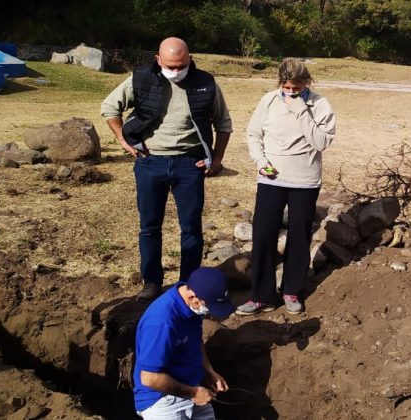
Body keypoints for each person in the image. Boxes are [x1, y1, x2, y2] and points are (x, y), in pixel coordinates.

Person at [101, 37, 233, 300]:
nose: (176, 71)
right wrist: (123, 140)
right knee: (149, 227)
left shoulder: (206, 83)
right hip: (151, 162)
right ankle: (151, 282)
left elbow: (223, 123)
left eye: (181, 65)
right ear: (158, 60)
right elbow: (109, 108)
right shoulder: (141, 79)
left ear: (190, 59)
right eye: (170, 66)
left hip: (189, 164)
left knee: (191, 228)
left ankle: (189, 283)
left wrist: (216, 159)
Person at [236, 58, 336, 316]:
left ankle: (292, 290)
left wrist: (301, 109)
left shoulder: (320, 104)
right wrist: (260, 162)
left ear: (307, 82)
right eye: (287, 87)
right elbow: (253, 134)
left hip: (305, 180)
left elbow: (321, 142)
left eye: (297, 87)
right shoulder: (268, 100)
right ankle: (261, 296)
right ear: (280, 82)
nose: (291, 92)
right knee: (263, 234)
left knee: (299, 236)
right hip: (271, 178)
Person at [133, 267, 234, 419]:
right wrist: (193, 393)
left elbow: (194, 341)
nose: (209, 312)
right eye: (209, 308)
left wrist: (209, 371)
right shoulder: (161, 322)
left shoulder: (192, 306)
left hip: (192, 386)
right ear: (192, 296)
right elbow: (149, 378)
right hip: (162, 400)